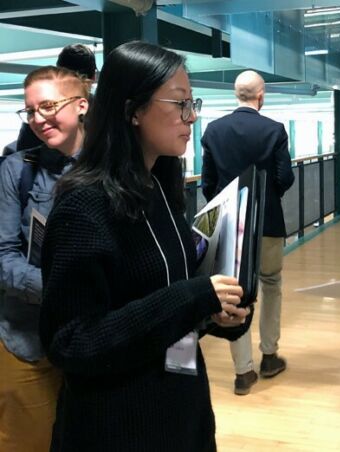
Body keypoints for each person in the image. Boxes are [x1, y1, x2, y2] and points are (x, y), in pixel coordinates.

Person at [39, 41, 252, 452]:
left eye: (194, 103)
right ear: (133, 109)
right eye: (179, 104)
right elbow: (72, 343)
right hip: (117, 425)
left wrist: (213, 313)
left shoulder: (158, 185)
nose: (191, 117)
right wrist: (191, 298)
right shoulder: (84, 204)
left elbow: (163, 294)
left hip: (179, 408)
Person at [0, 66, 90, 452]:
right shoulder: (17, 170)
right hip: (27, 338)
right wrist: (59, 291)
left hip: (94, 340)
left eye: (48, 106)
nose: (38, 119)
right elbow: (3, 256)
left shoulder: (111, 168)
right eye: (30, 111)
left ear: (81, 104)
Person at [201, 70, 294, 395]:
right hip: (268, 222)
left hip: (230, 225)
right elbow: (285, 178)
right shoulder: (274, 130)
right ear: (261, 94)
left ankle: (244, 373)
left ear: (236, 93)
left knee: (233, 293)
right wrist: (267, 198)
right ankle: (269, 355)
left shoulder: (213, 131)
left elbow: (208, 184)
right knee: (271, 284)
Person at [12, 44, 97, 157]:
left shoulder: (37, 112)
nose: (38, 119)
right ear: (94, 77)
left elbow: (25, 155)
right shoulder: (107, 112)